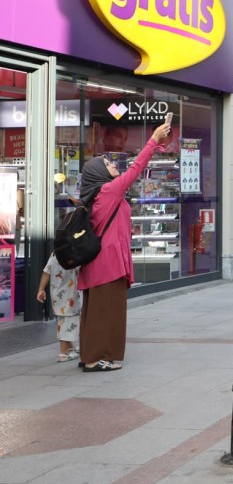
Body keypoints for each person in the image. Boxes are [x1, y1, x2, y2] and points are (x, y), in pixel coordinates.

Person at [76, 121, 172, 371]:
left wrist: (158, 146)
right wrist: (152, 140)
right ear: (99, 173)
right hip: (108, 263)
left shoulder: (98, 194)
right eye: (108, 164)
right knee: (107, 312)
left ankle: (90, 354)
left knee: (97, 311)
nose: (113, 165)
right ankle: (96, 359)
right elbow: (136, 168)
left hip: (99, 262)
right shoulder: (108, 191)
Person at [37, 254, 79, 362]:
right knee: (69, 322)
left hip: (56, 293)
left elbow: (47, 271)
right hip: (72, 294)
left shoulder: (56, 253)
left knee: (62, 322)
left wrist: (41, 289)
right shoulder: (76, 252)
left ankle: (70, 348)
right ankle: (63, 352)